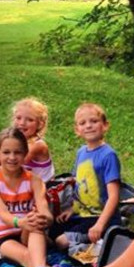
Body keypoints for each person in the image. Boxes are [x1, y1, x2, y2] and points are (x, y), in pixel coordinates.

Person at [0, 128, 61, 267]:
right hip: (1, 236)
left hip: (28, 230)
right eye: (6, 152)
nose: (12, 157)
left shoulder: (35, 180)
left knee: (36, 222)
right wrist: (21, 222)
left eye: (17, 152)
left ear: (25, 153)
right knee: (25, 255)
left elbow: (45, 211)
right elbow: (3, 214)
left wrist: (43, 218)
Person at [50, 103, 121, 251]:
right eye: (83, 123)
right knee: (51, 230)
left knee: (62, 242)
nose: (88, 126)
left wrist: (100, 225)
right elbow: (80, 185)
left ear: (105, 125)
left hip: (100, 217)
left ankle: (103, 242)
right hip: (83, 214)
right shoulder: (81, 152)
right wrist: (72, 209)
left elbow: (114, 196)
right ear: (77, 130)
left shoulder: (108, 155)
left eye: (94, 121)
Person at [12, 97, 55, 183]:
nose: (22, 123)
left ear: (39, 124)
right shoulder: (16, 140)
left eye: (30, 120)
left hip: (43, 188)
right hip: (28, 185)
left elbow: (14, 164)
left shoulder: (37, 145)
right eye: (18, 118)